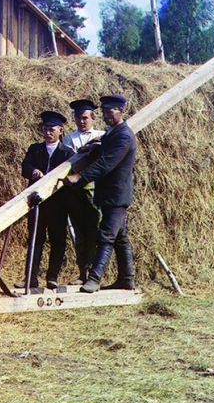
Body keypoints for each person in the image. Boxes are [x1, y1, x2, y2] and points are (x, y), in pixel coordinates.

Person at [65, 94, 137, 293]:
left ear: (121, 111)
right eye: (104, 112)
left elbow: (106, 163)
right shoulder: (112, 133)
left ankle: (94, 279)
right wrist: (96, 144)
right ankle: (127, 279)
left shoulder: (123, 135)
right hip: (110, 194)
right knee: (120, 236)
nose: (106, 115)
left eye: (110, 111)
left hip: (117, 195)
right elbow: (104, 149)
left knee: (106, 235)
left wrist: (80, 177)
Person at [16, 111, 74, 291]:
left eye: (52, 130)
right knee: (35, 238)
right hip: (37, 202)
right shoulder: (35, 149)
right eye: (45, 129)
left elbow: (70, 175)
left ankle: (52, 277)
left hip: (58, 203)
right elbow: (25, 167)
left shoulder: (67, 152)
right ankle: (31, 278)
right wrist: (33, 170)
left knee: (58, 240)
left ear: (60, 131)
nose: (48, 132)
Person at [61, 99, 105, 284]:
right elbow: (70, 163)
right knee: (80, 233)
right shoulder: (69, 138)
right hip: (75, 191)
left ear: (93, 117)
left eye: (85, 118)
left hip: (95, 191)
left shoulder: (103, 135)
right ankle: (82, 274)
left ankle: (96, 275)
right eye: (78, 118)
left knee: (95, 231)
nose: (82, 121)